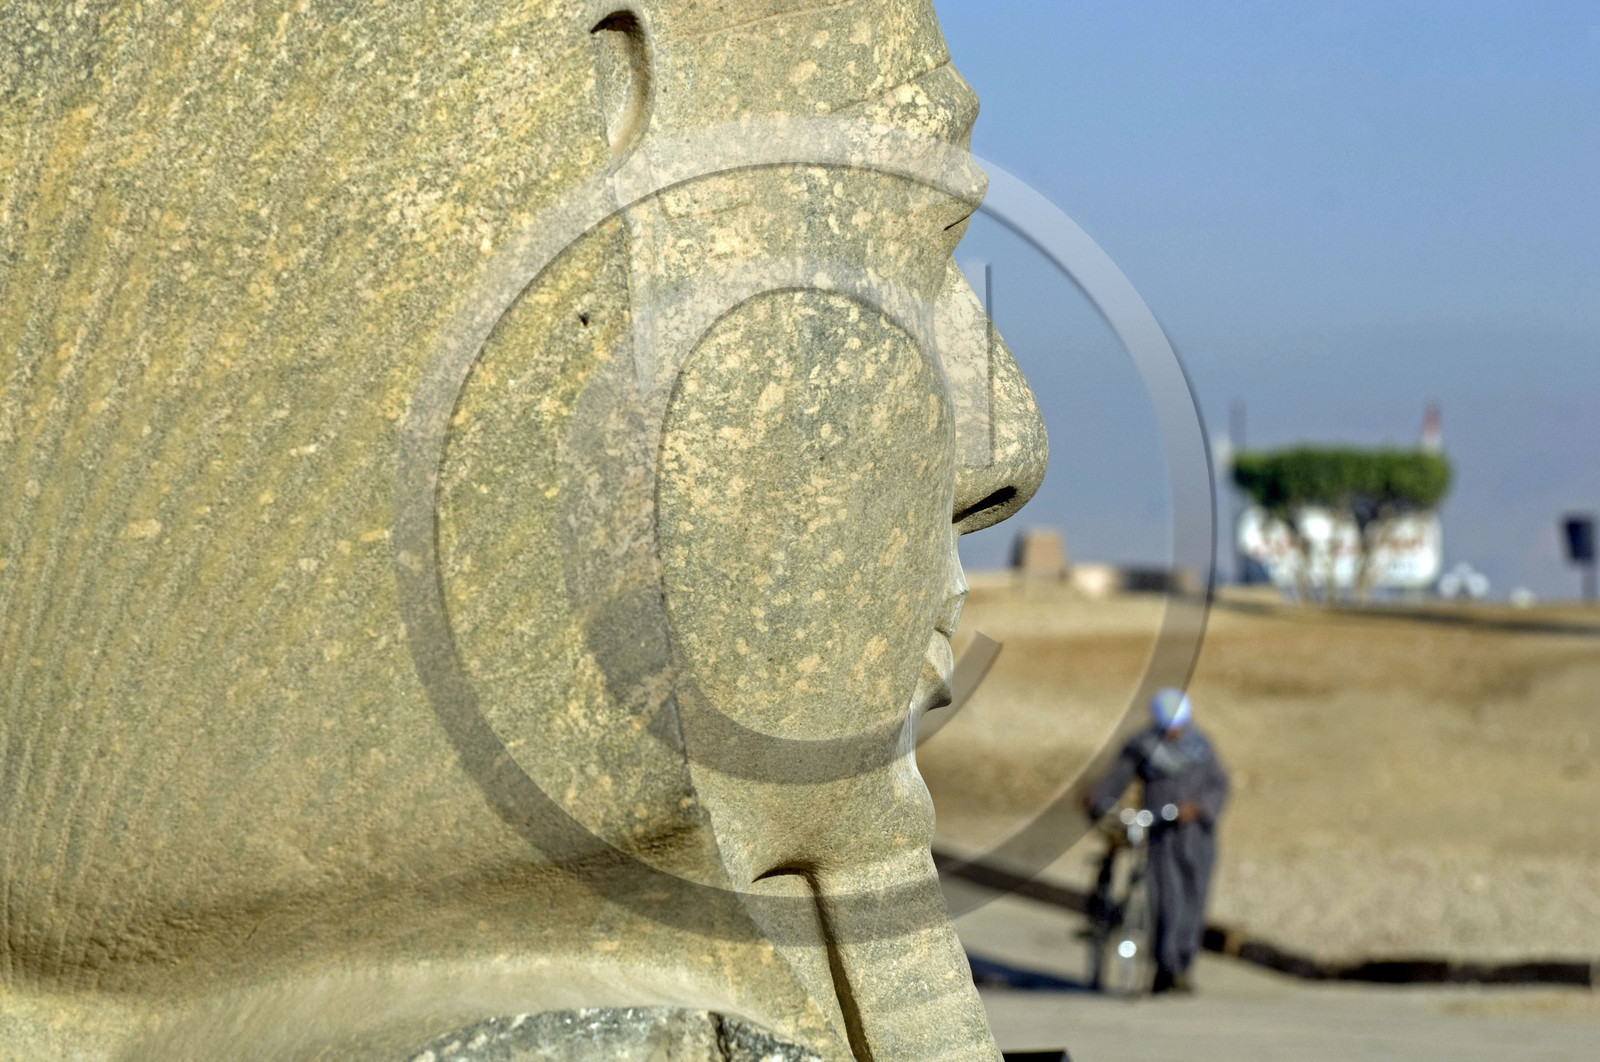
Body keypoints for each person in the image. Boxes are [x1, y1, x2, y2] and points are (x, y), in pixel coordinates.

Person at [1087, 688, 1230, 993]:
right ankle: (1165, 967)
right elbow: (1116, 780)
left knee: (1194, 900)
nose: (1175, 734)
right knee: (1167, 900)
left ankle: (1182, 965)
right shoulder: (1143, 747)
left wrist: (1200, 807)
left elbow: (1219, 785)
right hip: (1161, 837)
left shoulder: (1201, 749)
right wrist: (1098, 803)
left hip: (1197, 838)